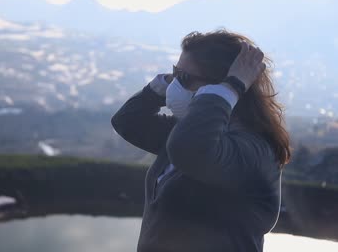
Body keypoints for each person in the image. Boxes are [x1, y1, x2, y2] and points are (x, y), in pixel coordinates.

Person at [111, 29, 291, 252]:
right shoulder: (191, 129)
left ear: (220, 86)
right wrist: (167, 83)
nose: (176, 84)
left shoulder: (252, 150)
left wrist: (232, 86)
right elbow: (128, 121)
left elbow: (189, 149)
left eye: (184, 77)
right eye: (174, 73)